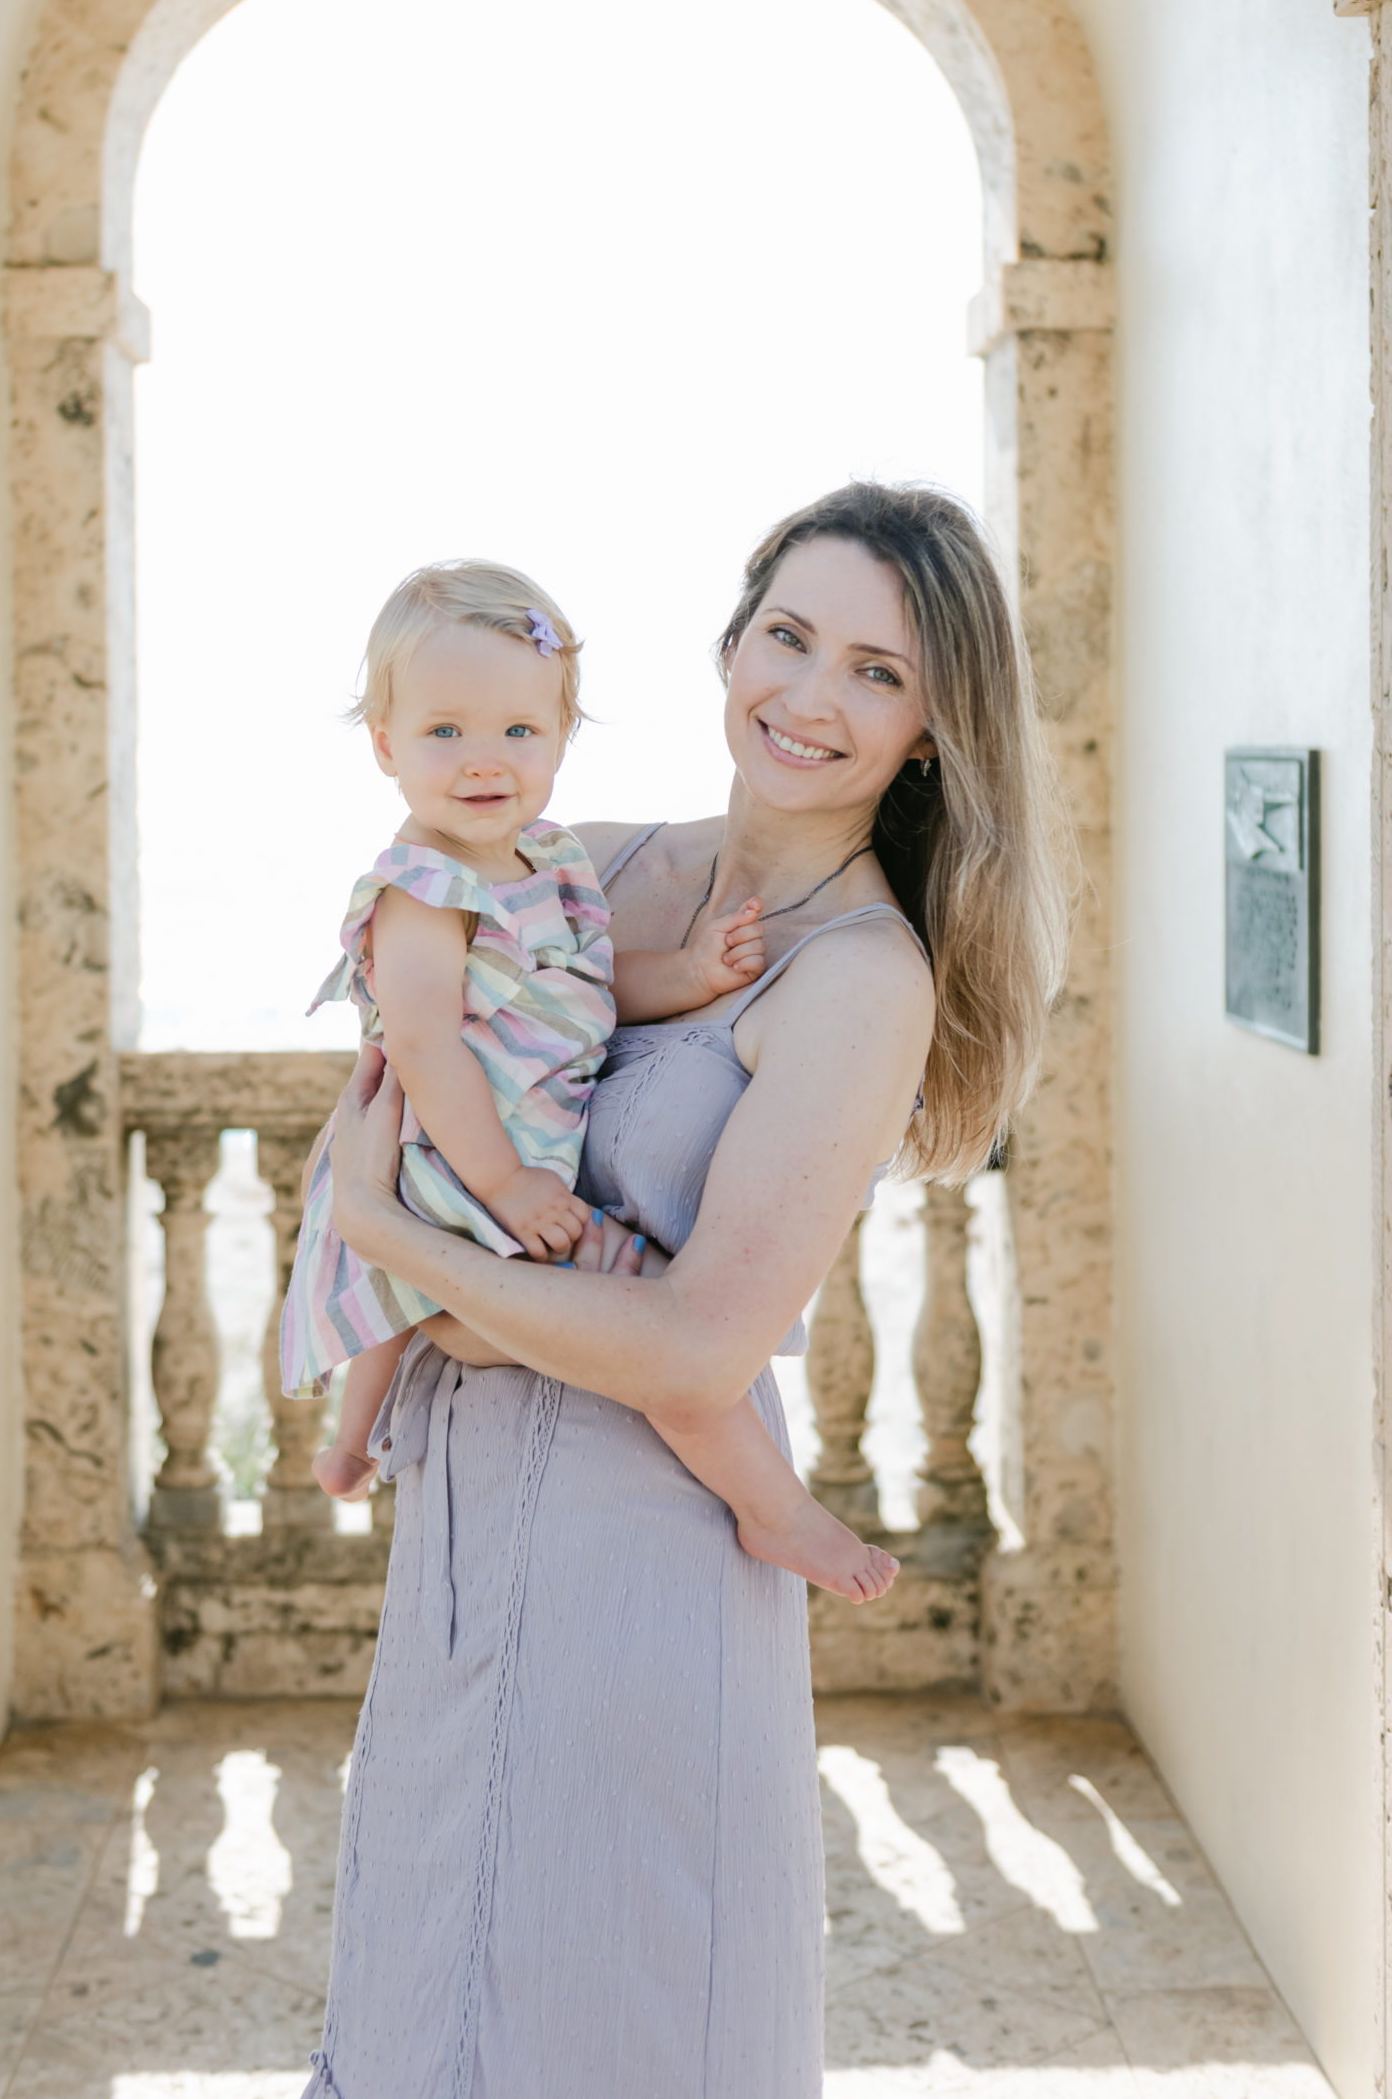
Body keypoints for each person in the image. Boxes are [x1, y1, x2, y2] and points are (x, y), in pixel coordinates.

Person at [300, 484, 1071, 2099]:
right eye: (785, 636)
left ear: (932, 728)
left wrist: (408, 1264)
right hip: (461, 1529)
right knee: (418, 1988)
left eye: (875, 670)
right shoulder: (569, 862)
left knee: (606, 2005)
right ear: (726, 643)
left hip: (643, 1559)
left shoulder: (857, 982)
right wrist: (398, 1240)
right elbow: (380, 1106)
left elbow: (696, 1339)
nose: (806, 696)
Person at [282, 558, 899, 1602]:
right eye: (444, 733)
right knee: (606, 1292)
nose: (484, 761)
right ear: (385, 743)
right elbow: (425, 1047)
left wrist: (693, 974)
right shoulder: (422, 888)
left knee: (536, 1310)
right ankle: (772, 1507)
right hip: (465, 1162)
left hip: (508, 1161)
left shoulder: (555, 863)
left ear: (562, 734)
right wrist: (509, 1187)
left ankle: (352, 1446)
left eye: (518, 732)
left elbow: (593, 985)